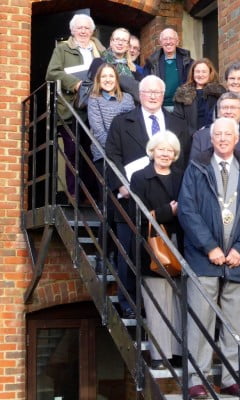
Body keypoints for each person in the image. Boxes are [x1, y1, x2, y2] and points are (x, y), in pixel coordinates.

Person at [178, 117, 240, 398]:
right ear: (211, 138)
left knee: (234, 323)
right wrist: (209, 247)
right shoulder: (196, 167)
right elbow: (187, 210)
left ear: (238, 137)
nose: (223, 138)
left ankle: (232, 377)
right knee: (201, 319)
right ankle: (197, 378)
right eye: (218, 134)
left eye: (228, 134)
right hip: (205, 257)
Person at [105, 75, 189, 319]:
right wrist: (121, 186)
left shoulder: (179, 124)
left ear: (164, 96)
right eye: (148, 92)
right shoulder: (122, 123)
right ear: (139, 95)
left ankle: (168, 311)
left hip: (168, 200)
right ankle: (130, 303)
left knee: (167, 252)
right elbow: (112, 156)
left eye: (157, 92)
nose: (152, 96)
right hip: (131, 198)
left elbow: (183, 160)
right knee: (130, 253)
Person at [129, 131, 183, 370]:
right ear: (152, 151)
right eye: (161, 149)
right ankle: (161, 355)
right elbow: (135, 214)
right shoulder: (140, 177)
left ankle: (180, 352)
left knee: (180, 301)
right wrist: (165, 213)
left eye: (170, 150)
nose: (165, 154)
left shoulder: (182, 177)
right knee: (158, 301)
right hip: (153, 244)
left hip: (180, 242)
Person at [46, 13, 105, 199]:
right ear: (72, 30)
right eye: (79, 27)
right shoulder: (63, 50)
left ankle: (91, 196)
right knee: (72, 152)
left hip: (95, 109)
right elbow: (52, 73)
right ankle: (74, 194)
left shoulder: (101, 52)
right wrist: (74, 83)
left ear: (92, 31)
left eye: (87, 28)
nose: (83, 31)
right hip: (70, 109)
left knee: (92, 152)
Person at [87, 63, 134, 267]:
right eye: (103, 77)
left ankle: (119, 256)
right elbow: (98, 130)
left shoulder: (129, 100)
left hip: (125, 160)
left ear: (117, 79)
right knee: (108, 206)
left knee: (122, 208)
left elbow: (132, 127)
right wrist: (115, 153)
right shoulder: (94, 100)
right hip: (104, 158)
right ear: (99, 80)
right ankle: (103, 256)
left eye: (111, 76)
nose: (107, 80)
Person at [190, 92, 240, 166]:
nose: (228, 112)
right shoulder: (200, 137)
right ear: (218, 112)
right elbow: (193, 169)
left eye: (233, 108)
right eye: (225, 108)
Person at [144, 28, 194, 111]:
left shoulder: (188, 62)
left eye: (171, 38)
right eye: (165, 39)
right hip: (159, 108)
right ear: (160, 43)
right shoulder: (152, 63)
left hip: (183, 107)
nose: (168, 42)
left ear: (177, 41)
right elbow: (145, 85)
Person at [173, 58, 225, 135]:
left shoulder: (219, 94)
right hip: (189, 138)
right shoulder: (183, 94)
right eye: (197, 71)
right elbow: (178, 119)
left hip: (213, 136)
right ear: (193, 73)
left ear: (210, 73)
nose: (200, 75)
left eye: (204, 72)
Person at [88, 28, 142, 103]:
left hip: (130, 108)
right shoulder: (98, 63)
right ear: (111, 42)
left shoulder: (133, 68)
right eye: (117, 39)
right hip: (105, 106)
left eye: (124, 40)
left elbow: (142, 91)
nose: (120, 43)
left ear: (127, 46)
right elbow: (94, 89)